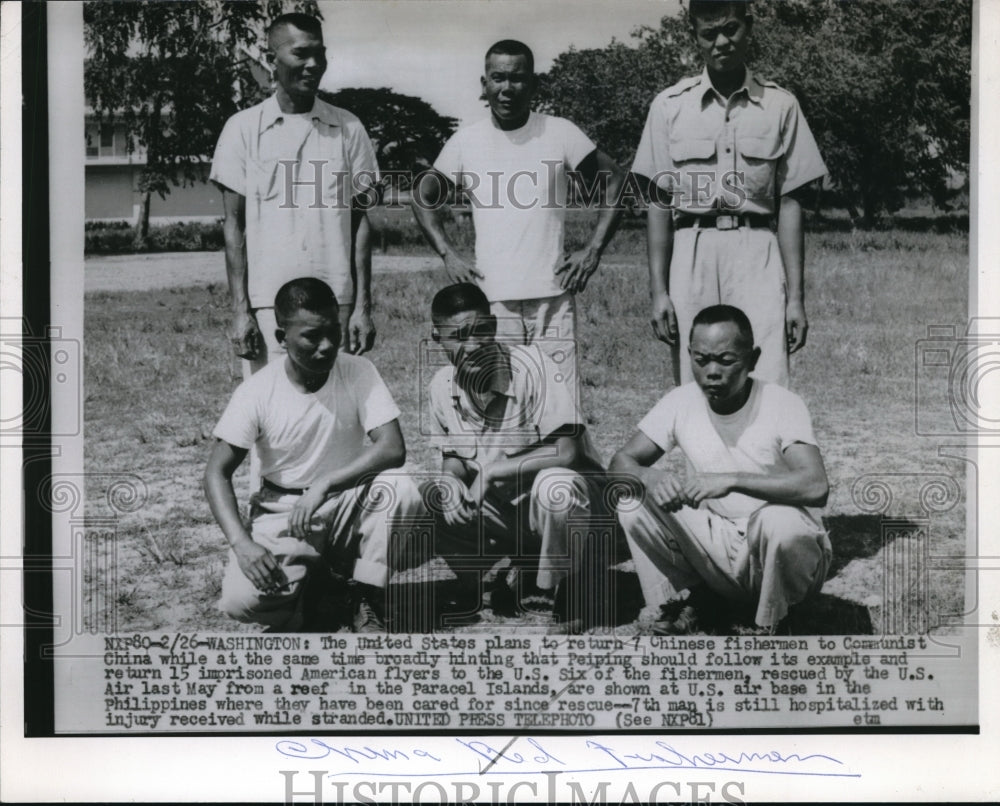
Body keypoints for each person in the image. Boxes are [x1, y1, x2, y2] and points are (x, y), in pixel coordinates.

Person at [204, 278, 422, 632]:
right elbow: (216, 473)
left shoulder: (358, 370)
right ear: (280, 338)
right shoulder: (257, 391)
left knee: (401, 489)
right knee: (241, 603)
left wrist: (325, 484)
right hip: (285, 512)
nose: (327, 346)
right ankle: (320, 583)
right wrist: (242, 543)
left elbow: (392, 447)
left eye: (333, 332)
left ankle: (366, 596)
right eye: (311, 336)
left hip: (345, 500)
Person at [412, 39, 625, 399]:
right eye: (498, 78)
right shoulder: (467, 141)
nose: (507, 88)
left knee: (559, 406)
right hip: (493, 302)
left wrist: (593, 250)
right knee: (498, 403)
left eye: (518, 78)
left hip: (553, 299)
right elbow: (423, 196)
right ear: (485, 85)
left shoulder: (560, 132)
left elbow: (615, 180)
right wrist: (447, 252)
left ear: (533, 84)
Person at [631, 0, 826, 387]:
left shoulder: (780, 105)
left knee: (767, 372)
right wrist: (659, 292)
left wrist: (796, 300)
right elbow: (658, 200)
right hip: (691, 249)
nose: (721, 41)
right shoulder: (669, 106)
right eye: (709, 33)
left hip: (757, 250)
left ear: (749, 27)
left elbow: (790, 203)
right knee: (696, 377)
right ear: (695, 38)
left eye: (731, 29)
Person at [609, 304, 831, 634]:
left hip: (780, 552)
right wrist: (649, 476)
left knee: (779, 522)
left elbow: (815, 486)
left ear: (753, 359)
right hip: (718, 545)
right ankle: (689, 601)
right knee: (632, 500)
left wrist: (733, 480)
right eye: (701, 360)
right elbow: (618, 463)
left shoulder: (782, 403)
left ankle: (775, 619)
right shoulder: (680, 401)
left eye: (726, 360)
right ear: (689, 356)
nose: (712, 371)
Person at [424, 282, 609, 633]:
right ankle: (497, 574)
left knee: (557, 485)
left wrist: (492, 472)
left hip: (577, 510)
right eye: (458, 337)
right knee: (430, 497)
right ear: (438, 338)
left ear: (494, 326)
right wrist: (449, 479)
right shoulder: (441, 384)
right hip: (511, 515)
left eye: (481, 332)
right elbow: (454, 455)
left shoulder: (535, 365)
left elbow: (567, 452)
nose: (473, 346)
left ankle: (575, 587)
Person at [210, 12, 379, 373]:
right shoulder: (241, 129)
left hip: (336, 302)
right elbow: (233, 227)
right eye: (301, 54)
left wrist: (362, 306)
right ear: (272, 59)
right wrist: (241, 310)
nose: (314, 64)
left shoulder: (349, 128)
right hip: (269, 305)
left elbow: (361, 222)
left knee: (337, 413)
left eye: (320, 54)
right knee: (272, 415)